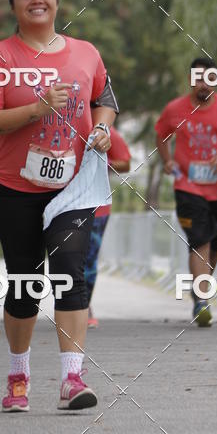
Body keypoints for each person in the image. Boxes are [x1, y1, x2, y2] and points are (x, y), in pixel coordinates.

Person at [0, 0, 118, 412]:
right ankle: (18, 377)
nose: (37, 0)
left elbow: (106, 101)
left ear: (57, 1)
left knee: (70, 272)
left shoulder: (85, 52)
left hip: (73, 187)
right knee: (25, 283)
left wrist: (102, 129)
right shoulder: (0, 58)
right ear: (14, 5)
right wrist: (36, 108)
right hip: (15, 186)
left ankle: (72, 378)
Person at [156, 57, 217, 327]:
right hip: (187, 187)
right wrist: (167, 161)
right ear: (191, 80)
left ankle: (200, 287)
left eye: (209, 79)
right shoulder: (175, 109)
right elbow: (161, 135)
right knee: (200, 242)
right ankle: (201, 301)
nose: (203, 84)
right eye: (198, 79)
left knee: (213, 247)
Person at [85, 125, 131, 327]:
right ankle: (68, 304)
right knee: (65, 257)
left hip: (97, 207)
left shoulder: (104, 130)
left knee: (88, 259)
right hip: (58, 204)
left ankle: (84, 306)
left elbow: (125, 164)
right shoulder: (59, 122)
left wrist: (102, 162)